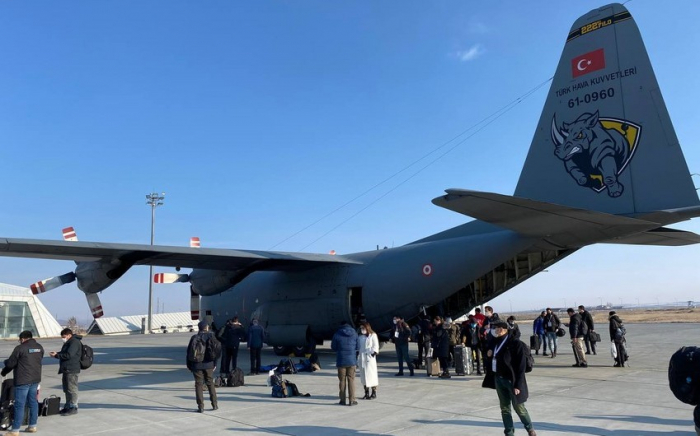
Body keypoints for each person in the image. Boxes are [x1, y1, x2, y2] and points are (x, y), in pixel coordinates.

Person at [483, 320, 537, 436]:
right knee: (505, 409)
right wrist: (488, 356)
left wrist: (518, 384)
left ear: (503, 329)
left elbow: (521, 366)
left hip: (511, 381)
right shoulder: (494, 342)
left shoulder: (515, 344)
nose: (495, 330)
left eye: (497, 328)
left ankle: (530, 429)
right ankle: (509, 432)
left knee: (519, 408)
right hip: (499, 379)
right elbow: (491, 358)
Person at [1, 331, 43, 435]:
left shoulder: (20, 348)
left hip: (22, 380)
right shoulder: (39, 347)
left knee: (19, 404)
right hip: (35, 379)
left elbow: (11, 363)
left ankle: (15, 430)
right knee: (33, 402)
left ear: (23, 338)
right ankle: (32, 426)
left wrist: (4, 368)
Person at [186, 320, 220, 413]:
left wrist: (189, 365)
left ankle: (201, 406)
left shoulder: (194, 337)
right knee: (210, 383)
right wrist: (215, 364)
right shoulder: (211, 337)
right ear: (207, 327)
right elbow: (215, 352)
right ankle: (215, 404)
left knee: (198, 384)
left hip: (197, 364)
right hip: (209, 364)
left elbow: (189, 353)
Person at [49, 328, 82, 416]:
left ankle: (73, 406)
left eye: (64, 337)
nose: (63, 338)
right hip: (67, 369)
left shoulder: (74, 342)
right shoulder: (69, 342)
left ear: (69, 335)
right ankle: (68, 406)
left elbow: (69, 355)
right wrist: (57, 354)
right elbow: (65, 353)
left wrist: (57, 355)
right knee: (67, 389)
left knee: (72, 389)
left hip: (72, 369)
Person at [331, 321, 358, 406]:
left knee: (342, 381)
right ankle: (352, 400)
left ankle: (342, 400)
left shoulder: (337, 334)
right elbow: (358, 347)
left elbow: (333, 347)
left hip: (341, 360)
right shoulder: (354, 333)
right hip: (352, 361)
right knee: (351, 380)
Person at [357, 321, 379, 400]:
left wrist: (372, 354)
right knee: (363, 376)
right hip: (362, 358)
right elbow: (358, 347)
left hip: (369, 358)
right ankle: (366, 392)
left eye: (363, 328)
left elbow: (375, 346)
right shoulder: (360, 337)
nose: (362, 330)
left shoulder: (373, 335)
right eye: (361, 328)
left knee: (372, 375)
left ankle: (374, 392)